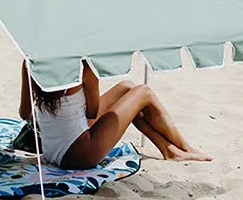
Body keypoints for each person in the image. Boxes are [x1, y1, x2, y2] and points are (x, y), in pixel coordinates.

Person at [18, 60, 212, 169]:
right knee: (143, 92)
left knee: (127, 88)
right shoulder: (83, 68)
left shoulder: (30, 64)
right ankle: (186, 148)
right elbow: (92, 112)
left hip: (51, 151)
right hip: (78, 156)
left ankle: (168, 150)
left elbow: (25, 113)